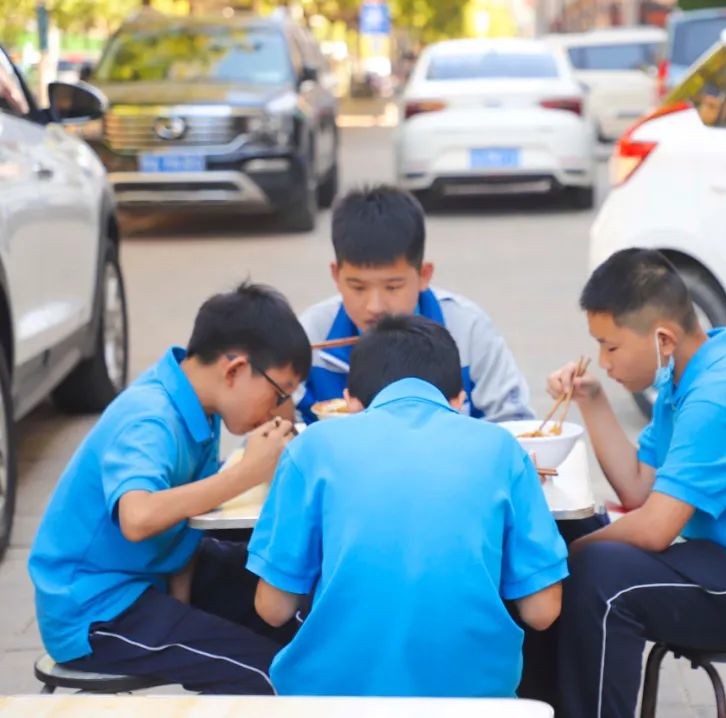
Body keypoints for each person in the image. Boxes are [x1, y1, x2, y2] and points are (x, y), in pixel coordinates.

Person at [548, 249, 726, 718]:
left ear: (663, 339)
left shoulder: (717, 400)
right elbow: (639, 491)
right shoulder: (681, 384)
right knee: (570, 538)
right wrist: (592, 399)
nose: (603, 361)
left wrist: (570, 556)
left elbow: (653, 528)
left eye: (612, 346)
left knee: (601, 575)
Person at [248, 314, 568, 696]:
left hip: (331, 699)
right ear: (459, 400)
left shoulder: (311, 447)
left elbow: (273, 608)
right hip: (473, 700)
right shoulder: (503, 450)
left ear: (349, 401)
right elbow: (542, 611)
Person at [29, 283, 311, 695]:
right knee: (273, 675)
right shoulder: (150, 417)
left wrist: (182, 608)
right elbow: (138, 517)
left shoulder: (201, 406)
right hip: (97, 610)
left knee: (292, 600)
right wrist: (246, 473)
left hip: (150, 580)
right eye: (279, 392)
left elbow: (181, 533)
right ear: (234, 370)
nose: (279, 407)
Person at [295, 186, 532, 424]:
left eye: (393, 287)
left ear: (423, 275)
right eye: (358, 287)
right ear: (336, 275)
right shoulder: (312, 335)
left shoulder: (467, 330)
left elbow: (514, 423)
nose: (374, 307)